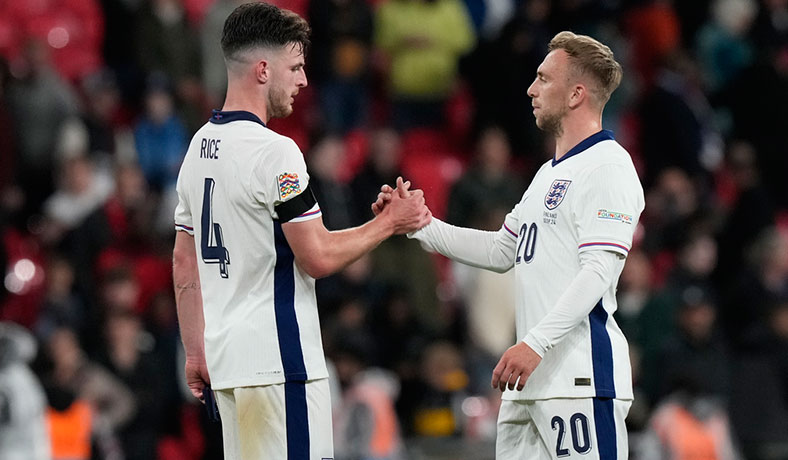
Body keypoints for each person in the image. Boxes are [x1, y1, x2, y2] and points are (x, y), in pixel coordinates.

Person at [171, 3, 431, 460]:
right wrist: (389, 223)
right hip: (279, 366)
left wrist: (195, 352)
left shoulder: (198, 148)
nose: (304, 80)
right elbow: (318, 256)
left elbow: (183, 260)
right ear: (264, 69)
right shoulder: (276, 153)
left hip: (228, 367)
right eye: (295, 67)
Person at [374, 31, 645, 459]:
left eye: (543, 78)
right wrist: (419, 225)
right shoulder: (546, 175)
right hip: (527, 386)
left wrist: (534, 344)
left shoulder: (609, 167)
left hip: (578, 380)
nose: (530, 88)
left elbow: (597, 272)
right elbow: (503, 250)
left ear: (576, 94)